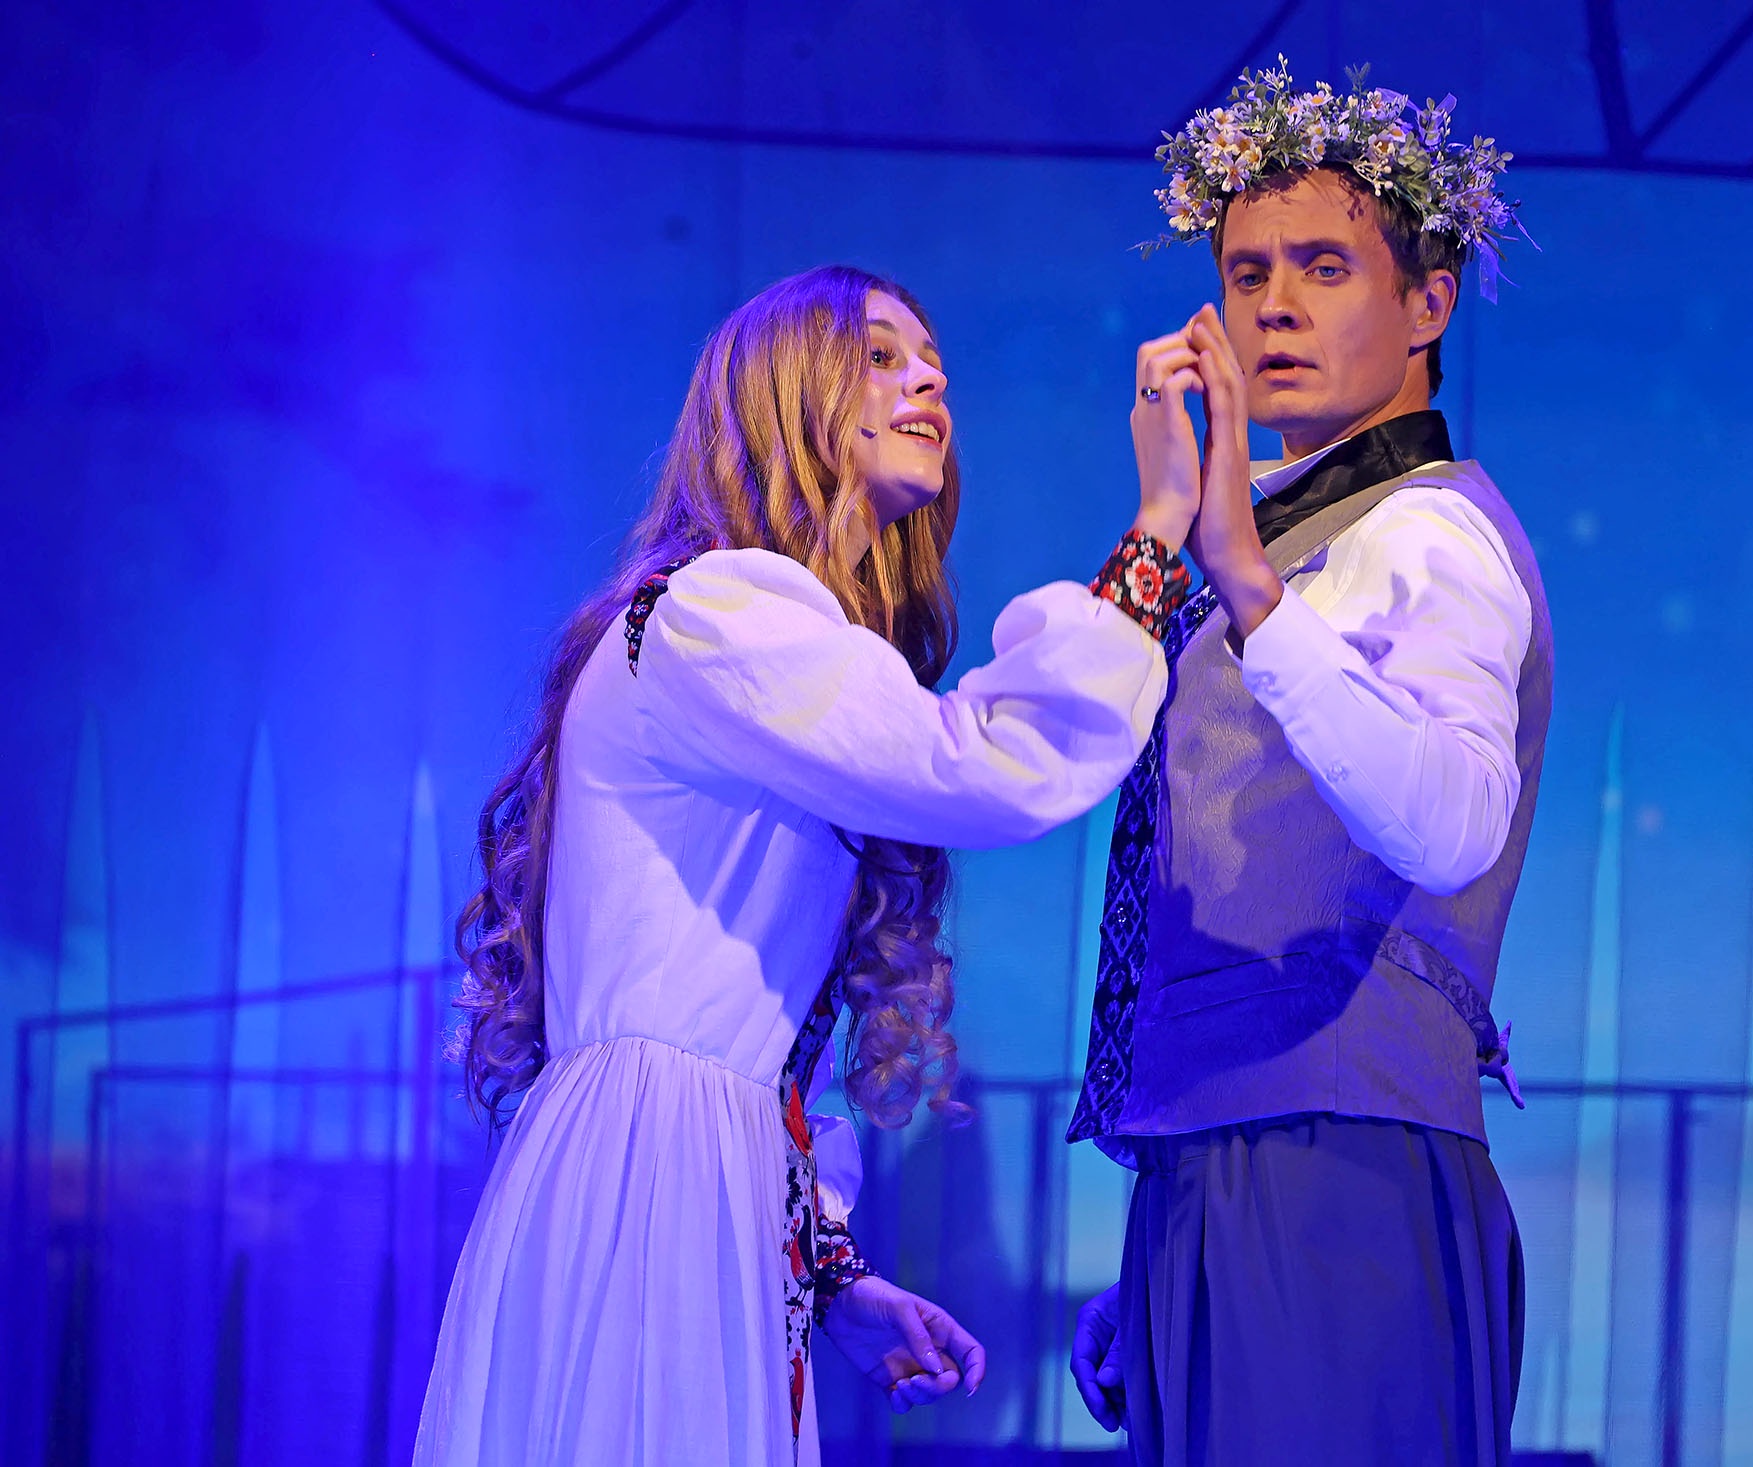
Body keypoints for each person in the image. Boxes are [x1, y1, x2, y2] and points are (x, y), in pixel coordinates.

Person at [413, 264, 1214, 1467]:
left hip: (697, 1184)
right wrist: (1158, 531)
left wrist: (828, 1277)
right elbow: (989, 766)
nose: (928, 381)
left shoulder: (759, 640)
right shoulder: (715, 615)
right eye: (881, 357)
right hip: (653, 1182)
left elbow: (755, 1023)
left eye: (932, 363)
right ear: (787, 396)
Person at [1068, 61, 1552, 1465]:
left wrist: (1247, 585)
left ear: (1427, 304)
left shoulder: (1426, 532)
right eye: (1248, 272)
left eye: (1325, 269)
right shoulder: (1279, 535)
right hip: (1234, 1160)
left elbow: (1452, 822)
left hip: (1336, 1158)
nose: (1274, 305)